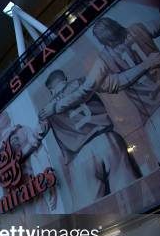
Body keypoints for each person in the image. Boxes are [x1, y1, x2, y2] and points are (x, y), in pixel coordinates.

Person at [42, 14, 160, 165]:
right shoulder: (138, 29)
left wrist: (56, 107)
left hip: (158, 113)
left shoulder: (103, 60)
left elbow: (87, 89)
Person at [37, 69, 142, 209]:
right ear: (65, 78)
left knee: (92, 216)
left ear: (50, 90)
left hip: (80, 158)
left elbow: (39, 132)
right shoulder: (83, 82)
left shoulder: (46, 109)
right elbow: (115, 83)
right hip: (107, 140)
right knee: (133, 200)